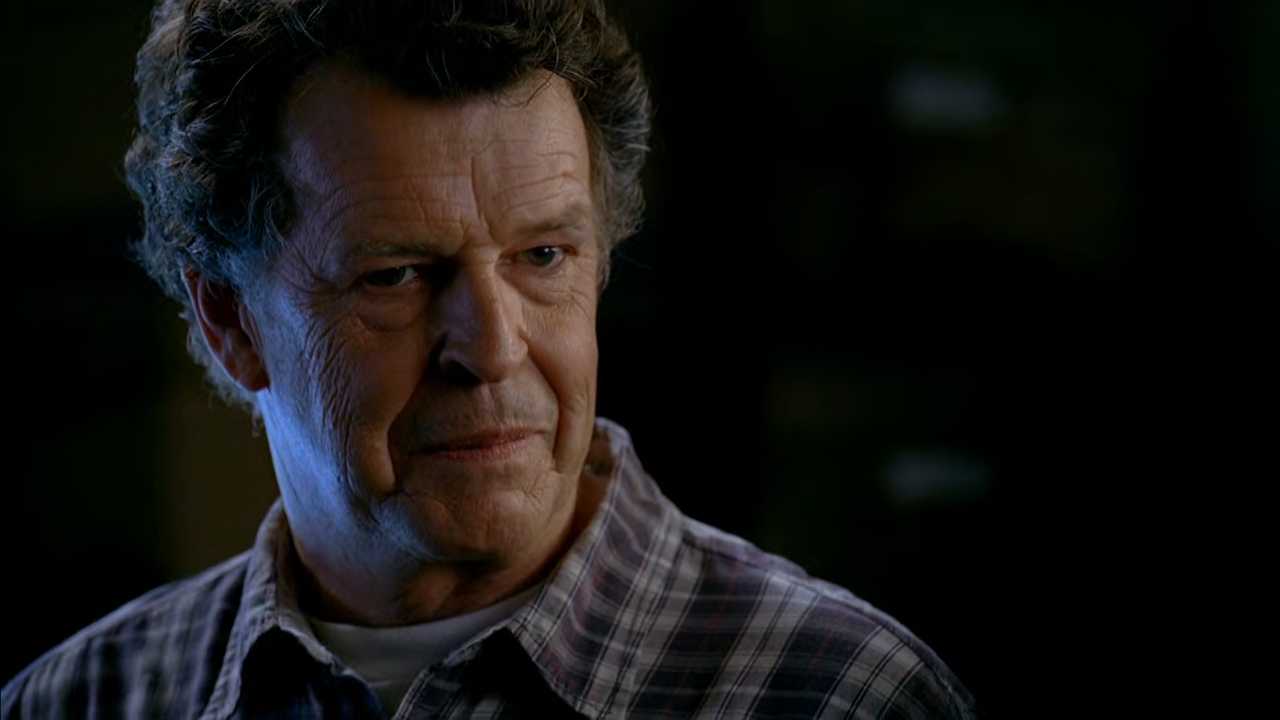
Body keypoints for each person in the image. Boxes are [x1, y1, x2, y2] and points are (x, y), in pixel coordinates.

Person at [2, 0, 976, 717]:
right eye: (396, 275)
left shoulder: (839, 695)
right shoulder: (77, 702)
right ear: (230, 321)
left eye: (543, 256)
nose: (494, 349)